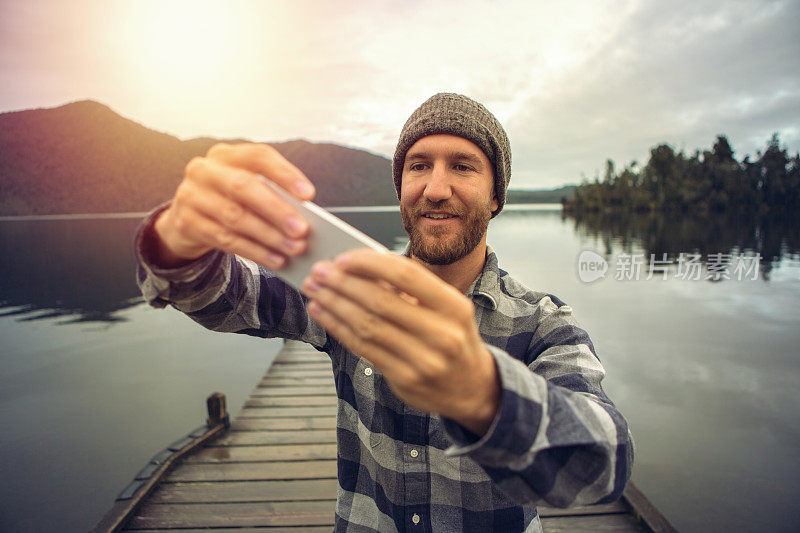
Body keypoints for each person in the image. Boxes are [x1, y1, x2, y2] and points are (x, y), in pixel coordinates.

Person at [135, 93, 633, 532]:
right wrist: (176, 245)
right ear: (400, 188)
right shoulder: (347, 290)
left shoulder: (542, 321)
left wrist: (481, 391)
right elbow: (230, 298)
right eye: (418, 166)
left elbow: (603, 464)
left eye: (463, 166)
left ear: (496, 196)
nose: (436, 189)